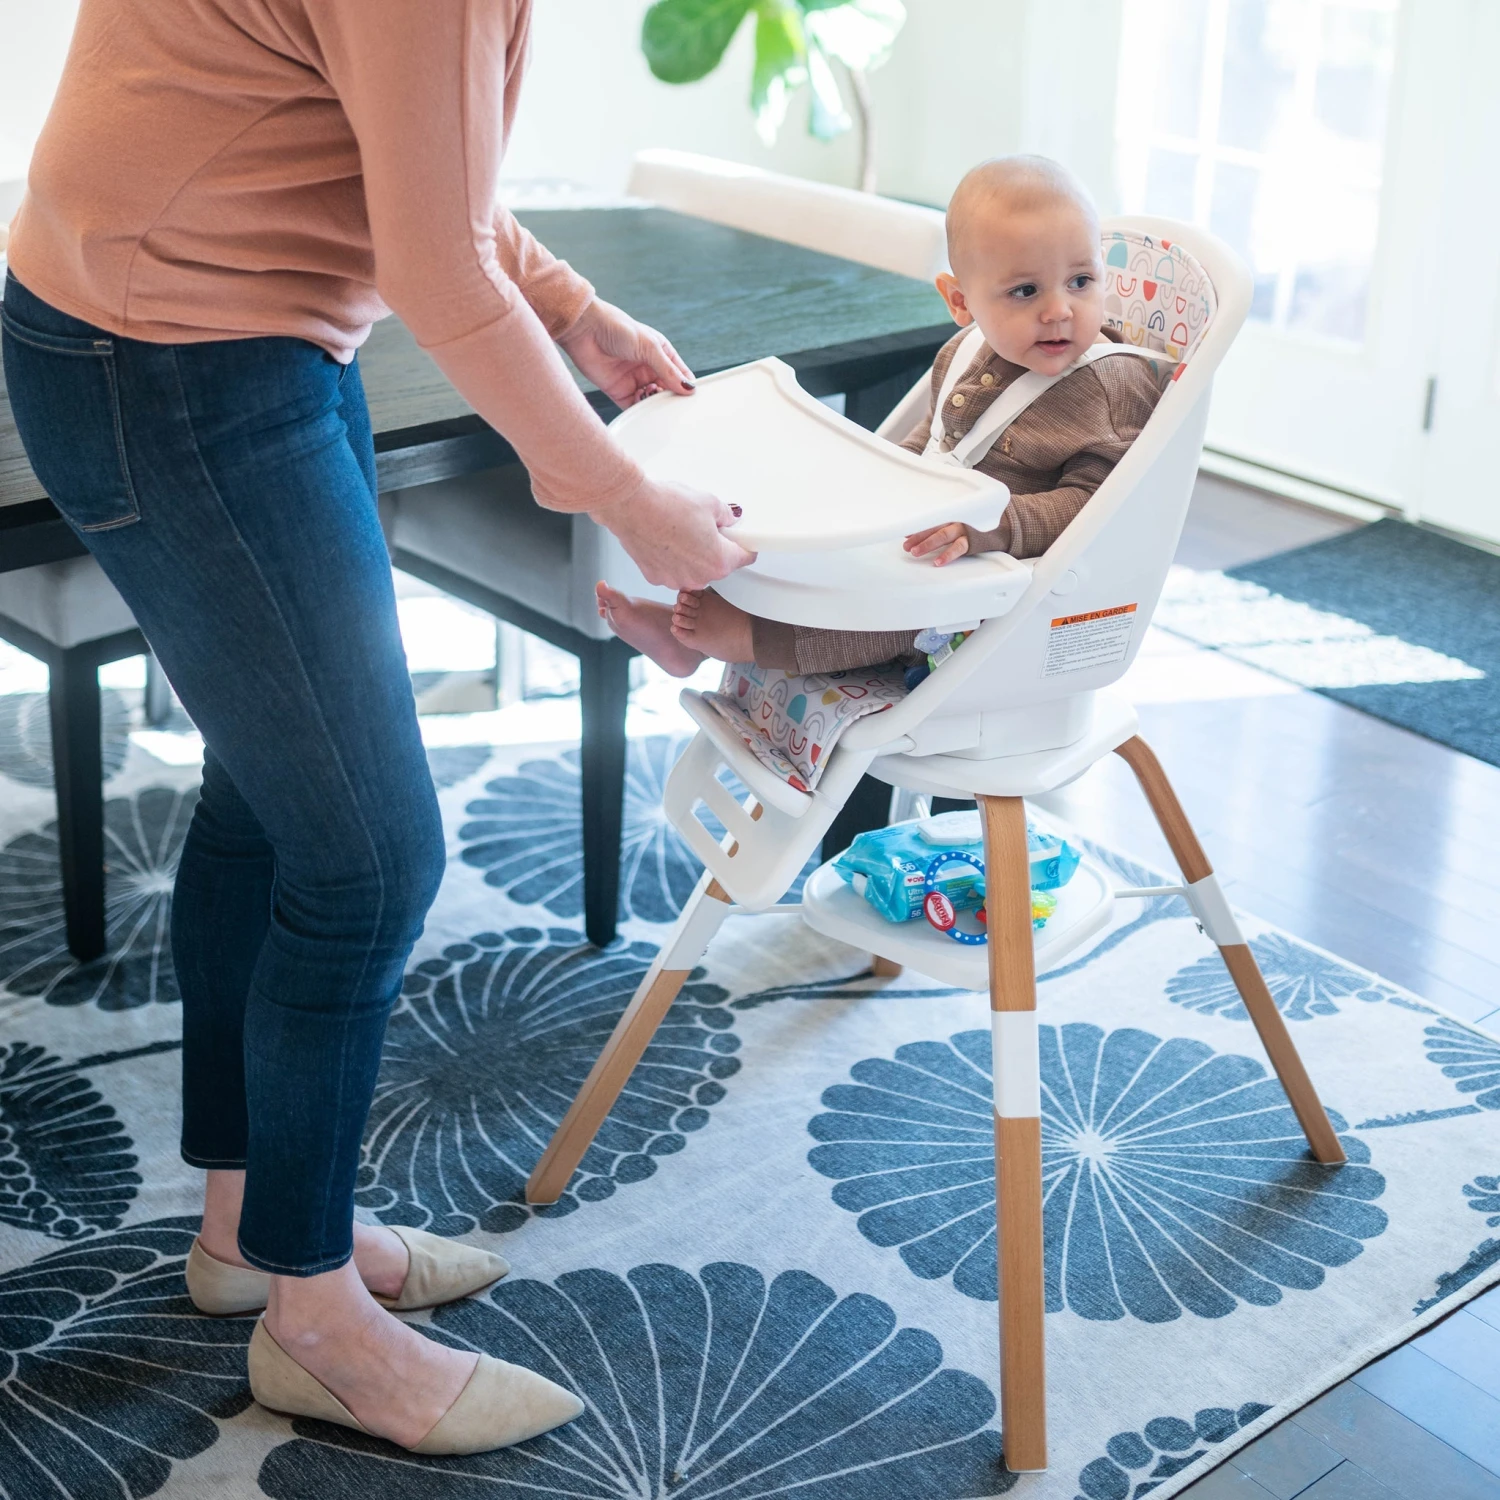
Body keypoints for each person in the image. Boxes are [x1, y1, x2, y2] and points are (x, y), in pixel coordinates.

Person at [0, 0, 750, 1457]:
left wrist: (577, 310)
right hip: (176, 356)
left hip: (202, 330)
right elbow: (433, 256)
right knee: (369, 857)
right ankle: (319, 1322)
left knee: (272, 803)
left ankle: (253, 1228)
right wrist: (622, 493)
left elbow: (410, 161)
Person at [598, 155, 1171, 680]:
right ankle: (703, 631)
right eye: (1025, 290)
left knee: (877, 613)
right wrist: (882, 481)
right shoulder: (967, 348)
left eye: (1081, 281)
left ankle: (737, 639)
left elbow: (1103, 507)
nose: (1059, 310)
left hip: (989, 583)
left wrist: (994, 528)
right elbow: (938, 438)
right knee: (808, 535)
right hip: (924, 534)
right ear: (961, 303)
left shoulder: (1108, 385)